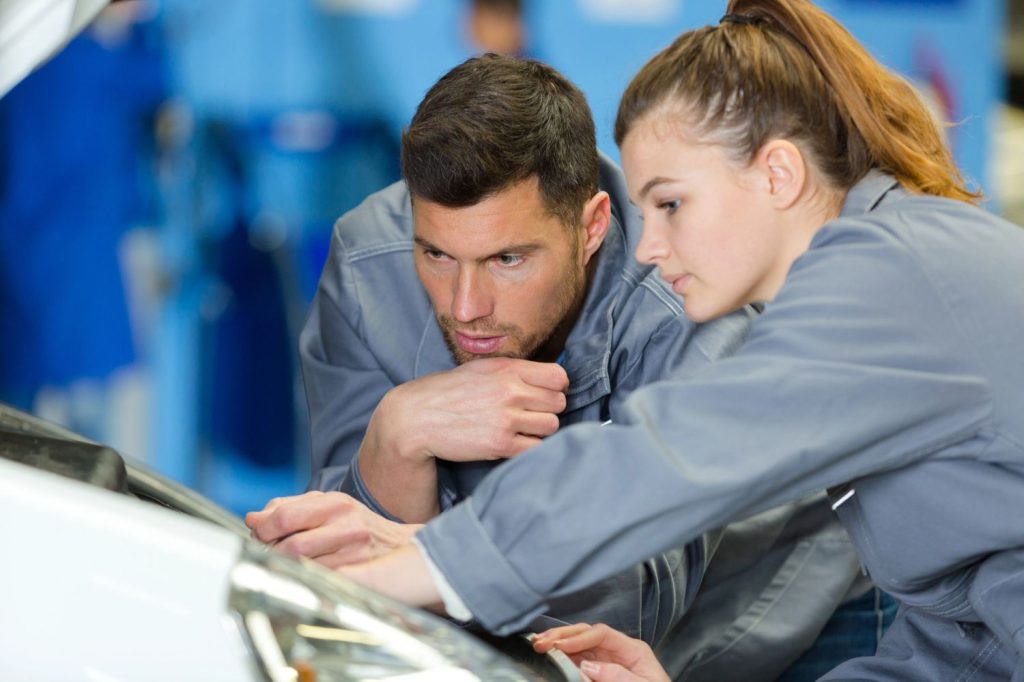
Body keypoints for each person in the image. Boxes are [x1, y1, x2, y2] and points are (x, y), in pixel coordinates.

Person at [334, 2, 1024, 680]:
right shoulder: (889, 267)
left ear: (777, 174)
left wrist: (394, 577)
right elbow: (963, 648)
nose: (650, 248)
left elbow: (658, 460)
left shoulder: (888, 279)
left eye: (671, 204)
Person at [245, 54, 882, 679]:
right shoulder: (367, 268)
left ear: (592, 226)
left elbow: (635, 604)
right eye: (437, 255)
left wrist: (427, 555)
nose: (465, 308)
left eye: (508, 260)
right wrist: (396, 434)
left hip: (785, 612)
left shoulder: (690, 295)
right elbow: (337, 570)